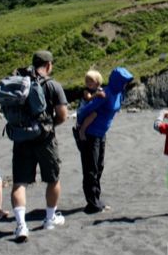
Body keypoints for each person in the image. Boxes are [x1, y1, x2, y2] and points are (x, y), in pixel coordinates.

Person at [10, 50, 68, 242]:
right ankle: (50, 218)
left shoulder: (19, 83)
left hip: (21, 138)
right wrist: (48, 126)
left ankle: (21, 225)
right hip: (45, 139)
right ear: (49, 65)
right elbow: (62, 115)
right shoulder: (52, 85)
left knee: (20, 182)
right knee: (53, 178)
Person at [74, 67, 133, 214]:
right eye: (124, 81)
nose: (125, 84)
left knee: (99, 167)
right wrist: (80, 129)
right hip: (89, 134)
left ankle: (96, 200)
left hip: (101, 134)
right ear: (117, 81)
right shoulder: (105, 94)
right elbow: (86, 111)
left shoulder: (119, 93)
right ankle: (92, 204)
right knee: (90, 169)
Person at [73, 70, 105, 141]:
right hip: (83, 111)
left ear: (97, 82)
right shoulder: (86, 91)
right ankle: (82, 130)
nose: (88, 83)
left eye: (91, 81)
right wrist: (96, 94)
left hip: (90, 109)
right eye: (87, 81)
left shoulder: (100, 89)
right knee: (94, 114)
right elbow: (89, 98)